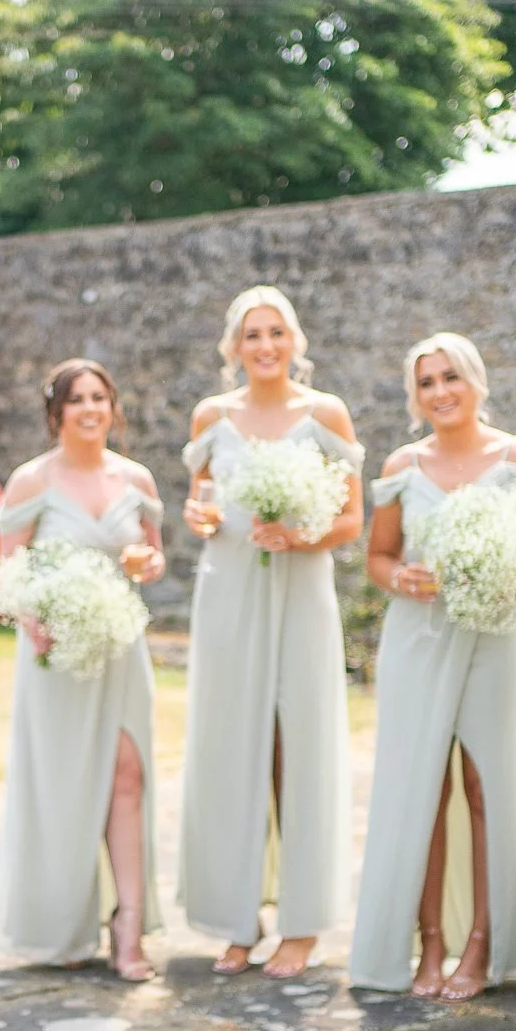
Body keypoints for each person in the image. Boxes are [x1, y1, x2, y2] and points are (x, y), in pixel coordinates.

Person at [349, 333, 516, 999]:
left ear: (476, 382)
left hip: (498, 636)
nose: (441, 392)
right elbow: (378, 556)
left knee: (493, 785)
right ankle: (428, 944)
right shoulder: (402, 464)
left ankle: (485, 945)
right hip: (419, 638)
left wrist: (506, 572)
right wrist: (401, 578)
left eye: (451, 377)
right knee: (422, 789)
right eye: (427, 382)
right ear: (415, 395)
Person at [179, 287, 364, 979]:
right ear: (234, 347)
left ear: (295, 341)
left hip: (300, 590)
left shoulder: (324, 414)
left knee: (297, 746)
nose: (264, 346)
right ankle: (235, 918)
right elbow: (198, 504)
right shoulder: (212, 416)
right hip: (226, 588)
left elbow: (351, 521)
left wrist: (299, 533)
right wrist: (198, 519)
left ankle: (301, 923)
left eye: (276, 333)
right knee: (231, 748)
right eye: (252, 335)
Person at [0, 360, 169, 980]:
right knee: (65, 787)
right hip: (57, 656)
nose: (90, 409)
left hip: (122, 650)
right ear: (57, 413)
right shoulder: (30, 482)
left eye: (100, 397)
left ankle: (130, 929)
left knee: (129, 775)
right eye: (77, 400)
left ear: (113, 408)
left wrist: (145, 565)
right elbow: (8, 575)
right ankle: (64, 921)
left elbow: (151, 559)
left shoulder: (135, 478)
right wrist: (34, 620)